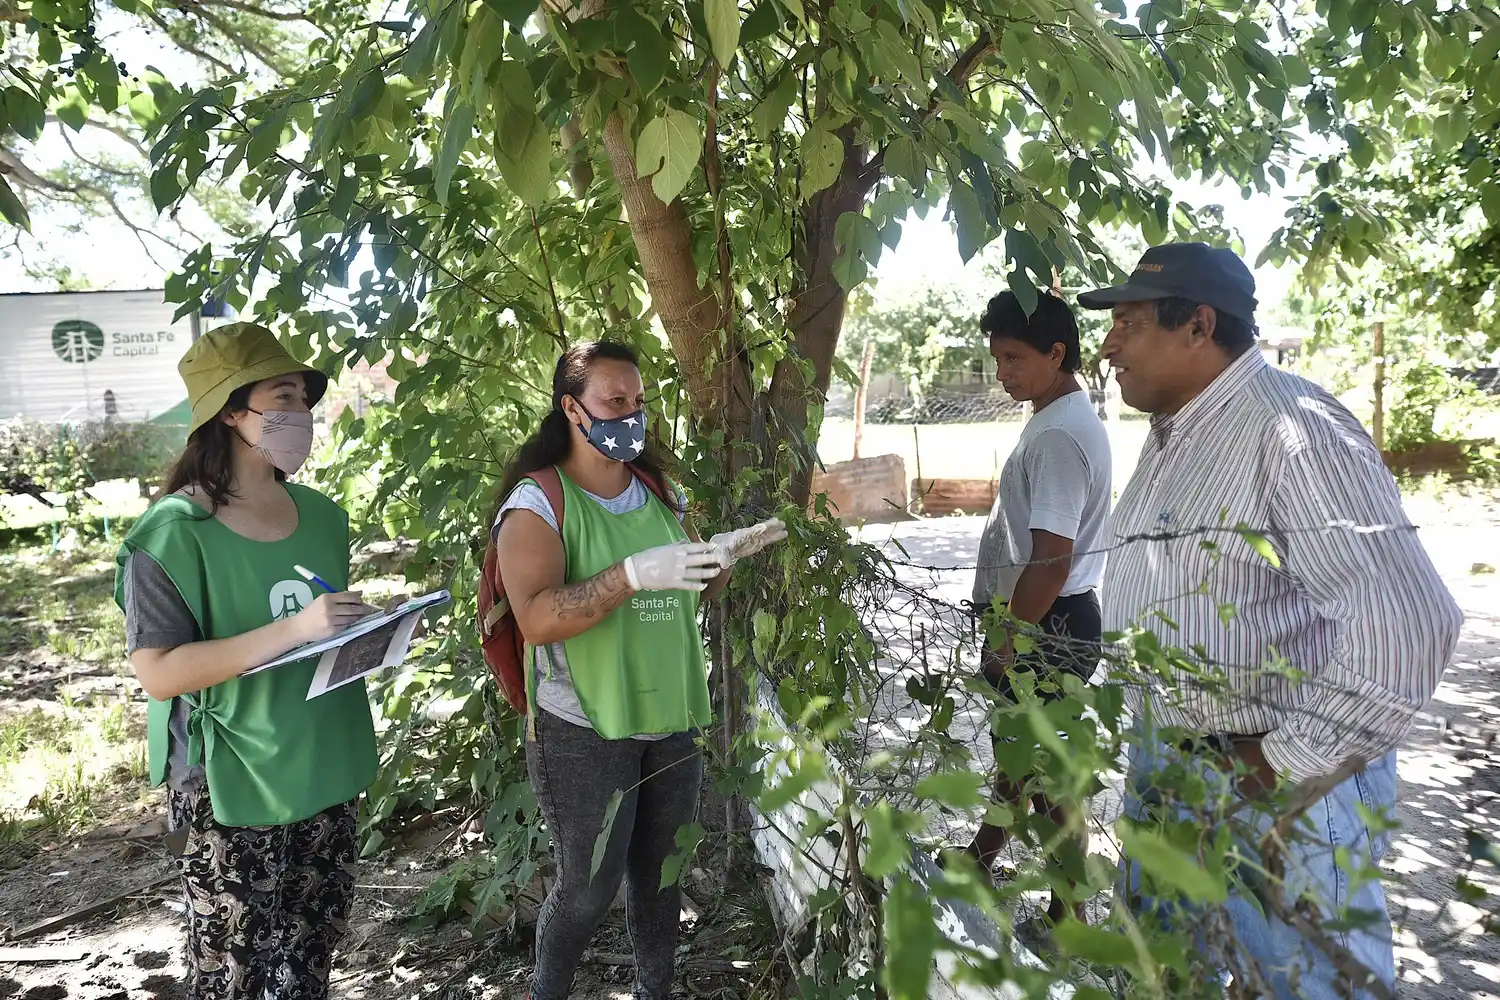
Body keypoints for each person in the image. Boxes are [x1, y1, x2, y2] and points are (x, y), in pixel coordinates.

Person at [1080, 243, 1462, 997]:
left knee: (1304, 979)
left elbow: (1408, 619)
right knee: (1170, 968)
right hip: (1181, 761)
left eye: (1127, 322)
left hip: (1271, 782)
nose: (1109, 345)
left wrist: (1282, 760)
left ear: (1197, 325)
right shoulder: (1178, 432)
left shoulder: (1293, 429)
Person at [492, 341, 786, 1000]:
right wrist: (627, 575)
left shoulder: (661, 492)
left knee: (660, 881)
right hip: (584, 726)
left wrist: (715, 564)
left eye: (639, 402)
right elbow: (535, 619)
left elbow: (686, 591)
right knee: (588, 889)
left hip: (670, 713)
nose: (631, 415)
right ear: (572, 408)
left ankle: (659, 991)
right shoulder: (538, 505)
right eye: (614, 402)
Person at [113, 322, 382, 1000]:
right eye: (282, 395)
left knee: (310, 957)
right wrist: (296, 627)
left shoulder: (323, 517)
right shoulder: (174, 534)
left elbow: (315, 635)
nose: (301, 413)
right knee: (236, 971)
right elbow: (160, 673)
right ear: (231, 411)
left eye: (303, 399)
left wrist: (365, 633)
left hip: (321, 760)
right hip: (229, 784)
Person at [949, 291, 1112, 926]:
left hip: (1047, 624)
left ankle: (1068, 911)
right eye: (997, 359)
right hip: (1038, 618)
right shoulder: (1056, 416)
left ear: (1056, 352)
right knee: (1020, 758)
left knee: (1046, 777)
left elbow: (1051, 557)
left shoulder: (1061, 436)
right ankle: (982, 858)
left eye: (1014, 359)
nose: (1003, 374)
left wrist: (1012, 633)